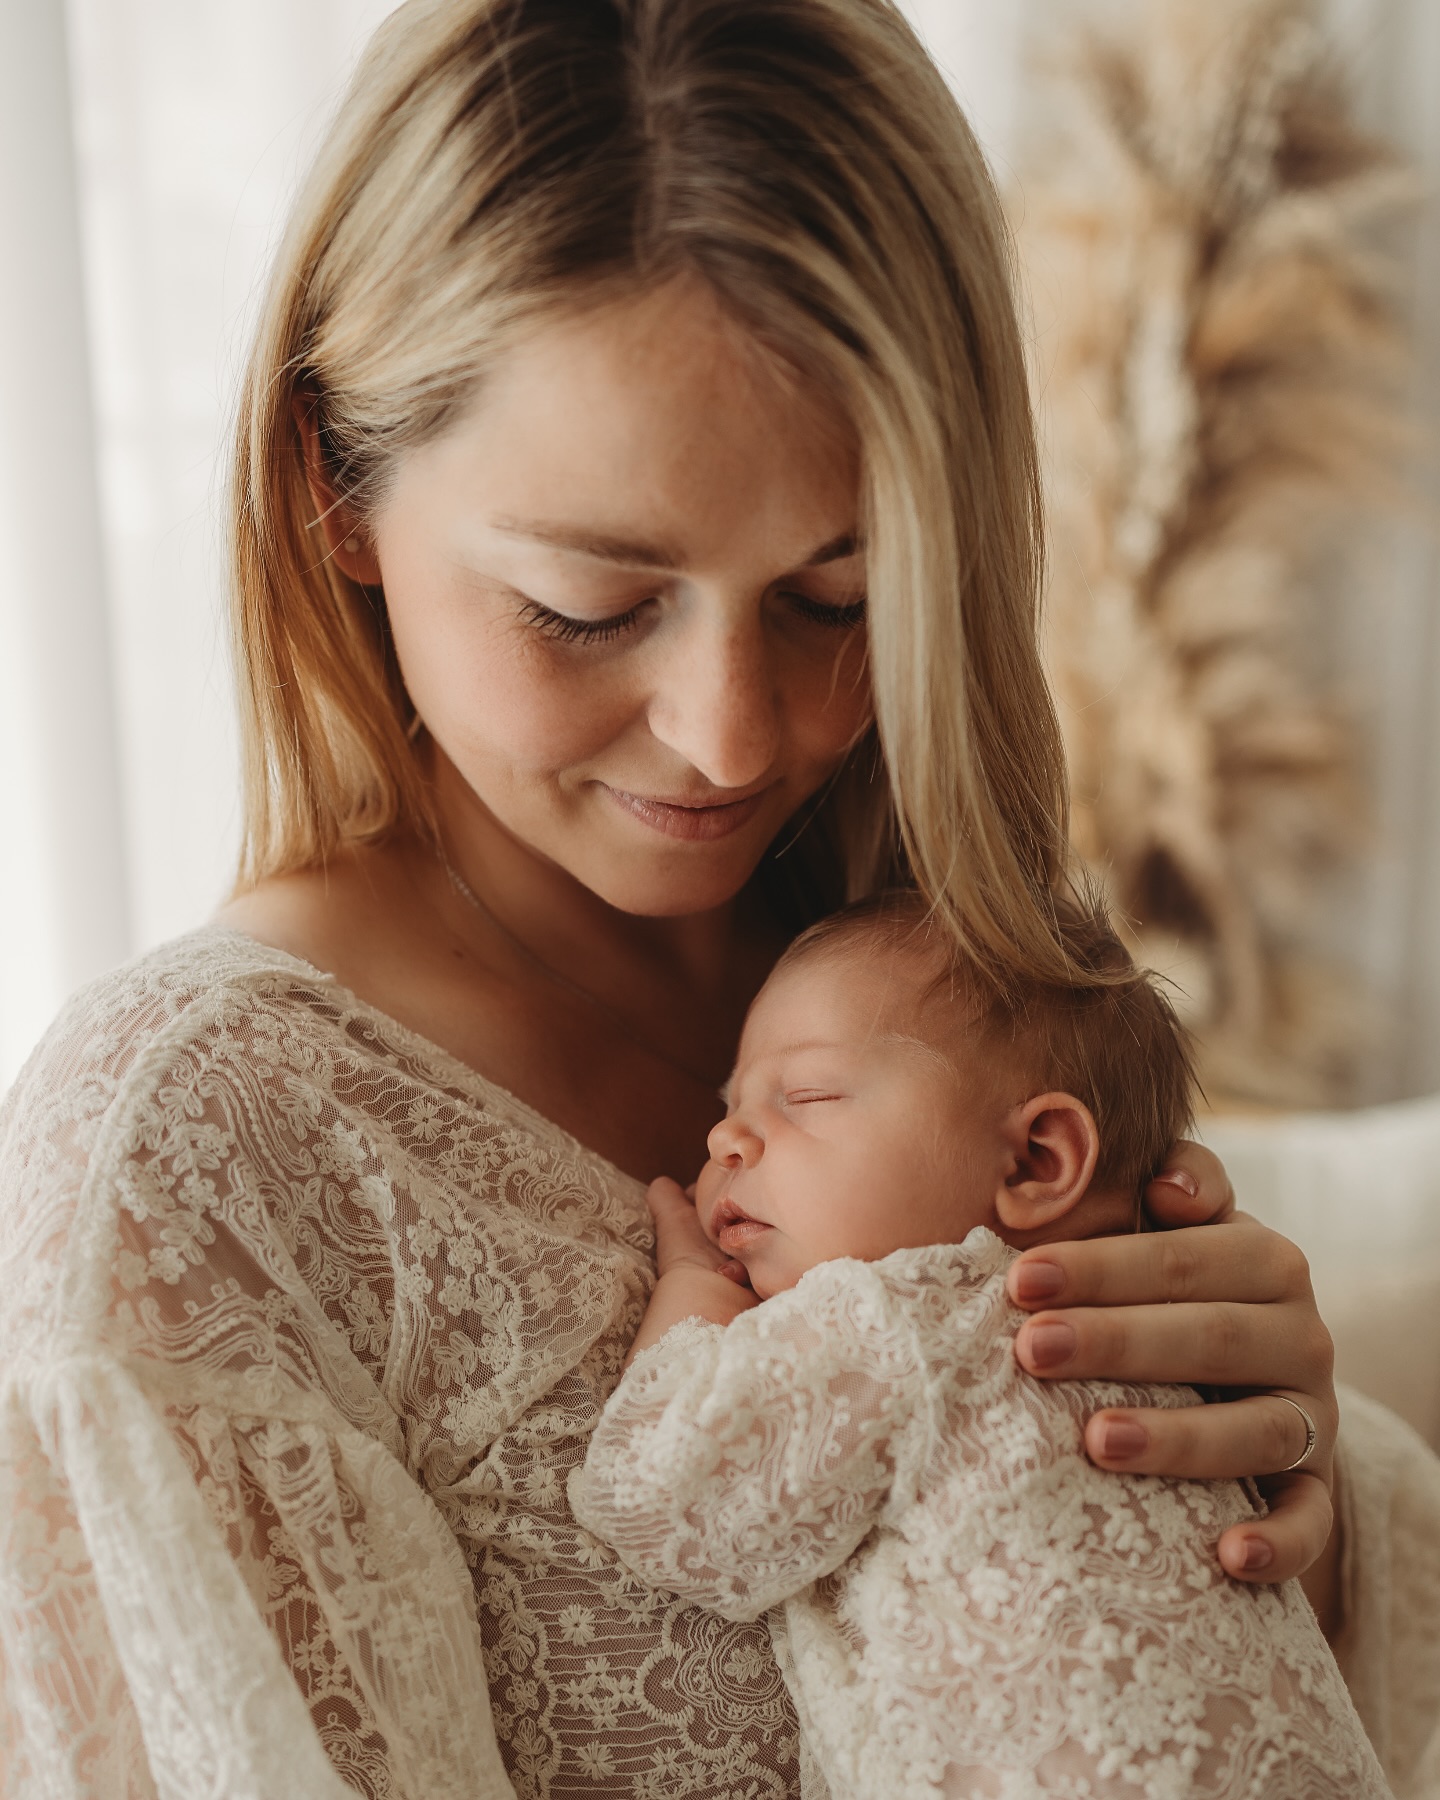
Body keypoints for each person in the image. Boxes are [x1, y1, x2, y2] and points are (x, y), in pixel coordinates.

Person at [0, 1, 1435, 1796]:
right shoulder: (190, 1163)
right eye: (592, 606)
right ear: (332, 492)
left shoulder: (935, 984)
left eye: (844, 596)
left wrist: (1302, 1481)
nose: (733, 739)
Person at [571, 894, 1390, 1798]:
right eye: (731, 1106)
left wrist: (691, 1287)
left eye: (804, 1097)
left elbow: (665, 1503)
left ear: (1036, 1161)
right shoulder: (1153, 1336)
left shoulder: (901, 1318)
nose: (725, 1136)